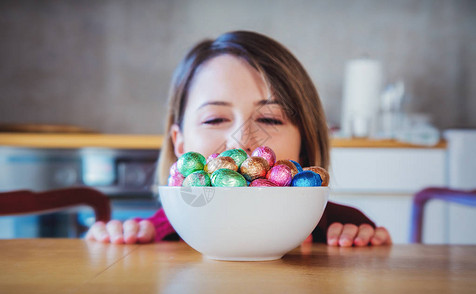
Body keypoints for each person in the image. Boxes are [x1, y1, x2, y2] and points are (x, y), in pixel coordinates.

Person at [86, 30, 392, 247]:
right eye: (215, 119)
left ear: (306, 141)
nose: (240, 142)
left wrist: (363, 241)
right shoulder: (153, 234)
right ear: (180, 144)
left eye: (270, 119)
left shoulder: (344, 226)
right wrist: (116, 236)